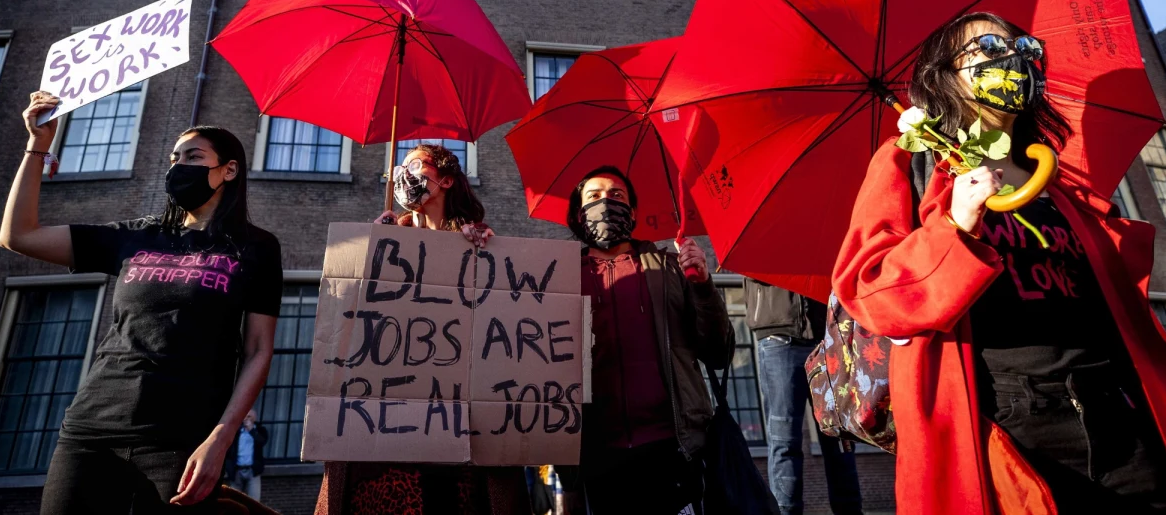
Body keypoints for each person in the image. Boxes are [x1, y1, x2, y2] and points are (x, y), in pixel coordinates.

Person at [833, 12, 1166, 514]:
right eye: (990, 48)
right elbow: (872, 291)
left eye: (1023, 47)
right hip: (1014, 429)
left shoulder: (1058, 179)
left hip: (1123, 416)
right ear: (944, 75)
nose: (1012, 59)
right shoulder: (908, 163)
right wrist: (954, 226)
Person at [0, 92, 282, 514]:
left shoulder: (257, 248)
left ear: (228, 170)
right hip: (92, 431)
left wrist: (221, 439)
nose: (177, 166)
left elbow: (259, 351)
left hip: (182, 441)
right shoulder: (137, 235)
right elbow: (18, 236)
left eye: (193, 156)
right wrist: (38, 144)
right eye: (174, 157)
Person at [315, 143, 528, 515]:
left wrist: (481, 252)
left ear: (445, 180)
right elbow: (350, 320)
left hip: (457, 427)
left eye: (416, 167)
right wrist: (370, 251)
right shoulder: (383, 238)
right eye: (401, 168)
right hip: (386, 428)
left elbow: (498, 323)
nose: (404, 175)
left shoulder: (476, 242)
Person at [559, 166, 734, 515]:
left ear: (633, 213)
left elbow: (718, 350)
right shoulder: (558, 276)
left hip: (671, 447)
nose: (606, 202)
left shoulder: (669, 268)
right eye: (593, 197)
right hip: (597, 452)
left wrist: (702, 285)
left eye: (617, 196)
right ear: (579, 213)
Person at [744, 278, 863, 515]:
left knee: (839, 437)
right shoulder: (759, 241)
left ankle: (851, 510)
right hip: (778, 335)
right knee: (784, 440)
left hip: (825, 336)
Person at [224, 409, 268, 501]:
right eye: (244, 416)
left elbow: (262, 441)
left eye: (249, 417)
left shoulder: (260, 430)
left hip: (253, 471)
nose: (246, 419)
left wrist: (251, 430)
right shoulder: (236, 431)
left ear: (254, 418)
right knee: (234, 501)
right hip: (237, 470)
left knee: (254, 501)